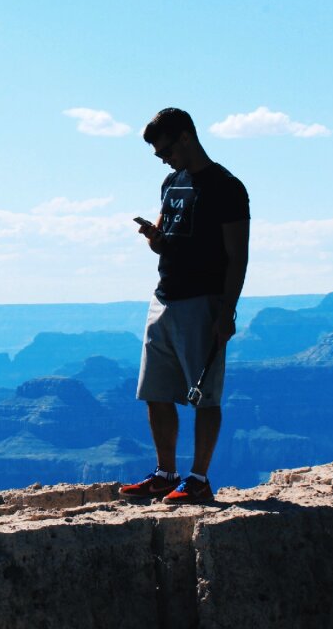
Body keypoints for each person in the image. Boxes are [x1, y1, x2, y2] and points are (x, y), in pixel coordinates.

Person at [119, 107, 250, 505]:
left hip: (202, 301)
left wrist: (226, 311)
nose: (162, 158)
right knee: (155, 391)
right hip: (164, 297)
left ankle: (198, 479)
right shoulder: (171, 182)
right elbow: (167, 237)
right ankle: (165, 473)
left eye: (165, 149)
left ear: (187, 137)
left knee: (204, 395)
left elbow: (237, 255)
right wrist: (155, 239)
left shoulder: (227, 187)